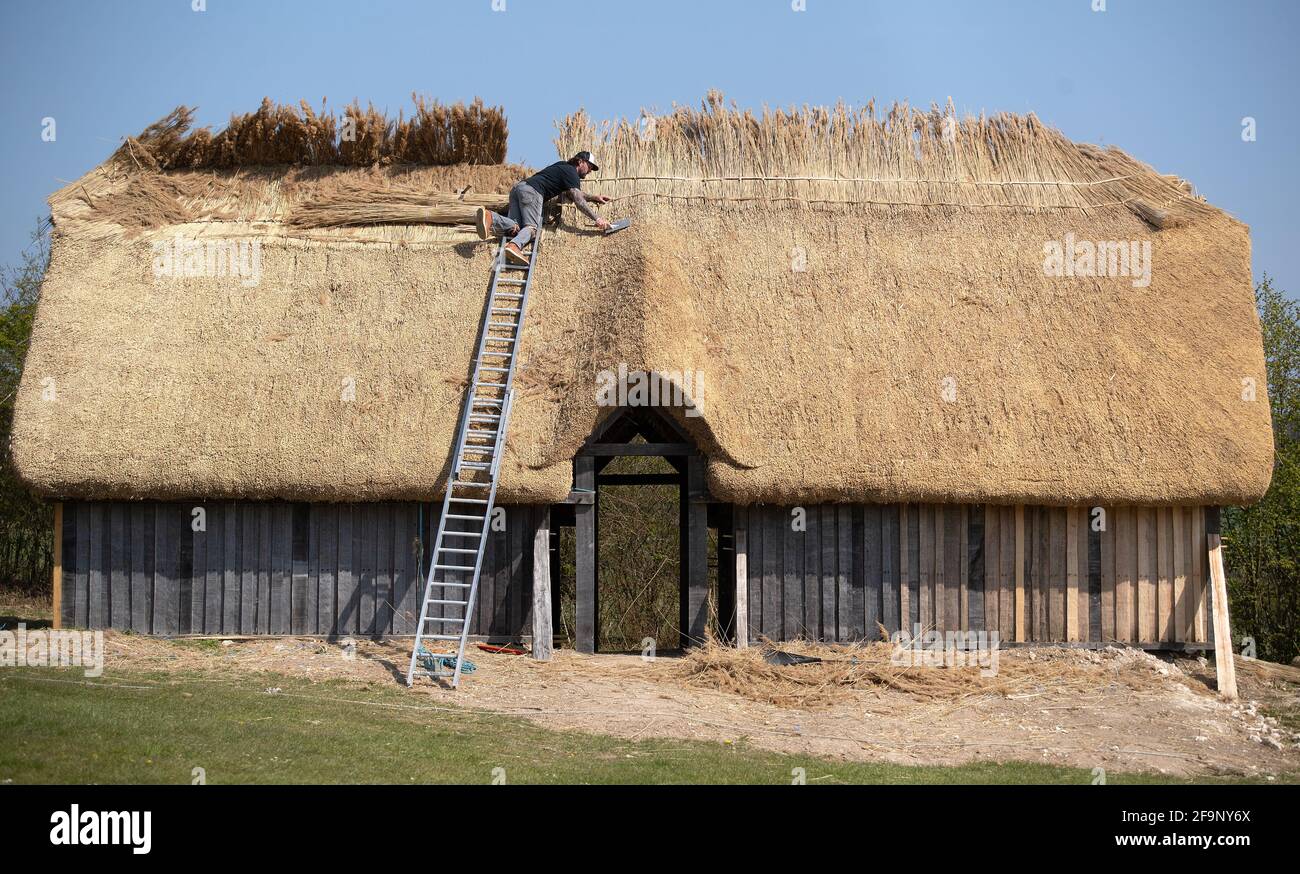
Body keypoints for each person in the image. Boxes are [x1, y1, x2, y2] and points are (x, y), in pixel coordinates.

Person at [475, 151, 611, 265]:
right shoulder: (572, 173)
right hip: (533, 192)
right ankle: (514, 246)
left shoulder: (562, 166)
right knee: (532, 229)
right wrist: (597, 218)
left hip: (519, 188)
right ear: (580, 161)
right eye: (589, 166)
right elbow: (578, 200)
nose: (590, 171)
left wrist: (594, 197)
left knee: (515, 228)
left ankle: (491, 217)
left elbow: (572, 193)